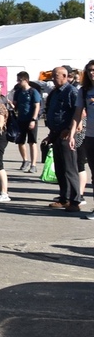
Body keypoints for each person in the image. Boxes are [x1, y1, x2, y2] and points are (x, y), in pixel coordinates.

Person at [44, 64, 81, 212]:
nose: (53, 78)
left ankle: (75, 200)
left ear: (65, 76)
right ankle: (64, 198)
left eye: (56, 76)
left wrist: (69, 130)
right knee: (60, 168)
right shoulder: (55, 92)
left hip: (67, 135)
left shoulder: (71, 91)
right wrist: (50, 135)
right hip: (56, 134)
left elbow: (79, 112)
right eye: (52, 76)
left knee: (70, 169)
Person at [12, 71, 42, 173]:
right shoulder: (18, 92)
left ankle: (33, 164)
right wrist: (11, 105)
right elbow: (15, 106)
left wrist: (33, 119)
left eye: (20, 80)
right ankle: (25, 160)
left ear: (26, 80)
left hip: (31, 119)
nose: (18, 82)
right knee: (20, 142)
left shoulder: (33, 92)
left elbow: (37, 106)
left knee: (32, 142)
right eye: (18, 80)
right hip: (20, 119)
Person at [76, 61, 94, 220]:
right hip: (90, 136)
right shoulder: (84, 91)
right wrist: (72, 133)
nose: (91, 73)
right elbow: (78, 113)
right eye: (89, 70)